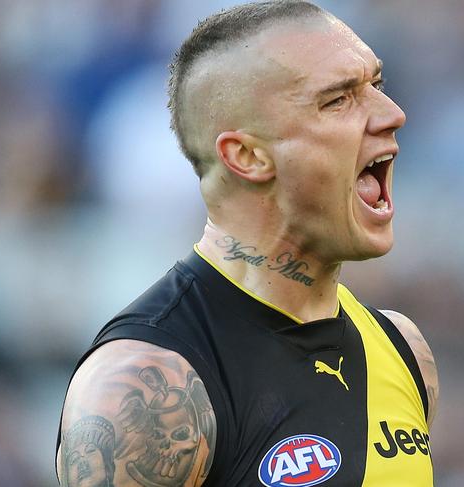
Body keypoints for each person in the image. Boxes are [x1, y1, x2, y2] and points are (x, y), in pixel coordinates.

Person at [56, 1, 439, 485]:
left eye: (376, 86)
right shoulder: (151, 382)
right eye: (338, 100)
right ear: (248, 156)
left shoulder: (403, 351)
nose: (393, 115)